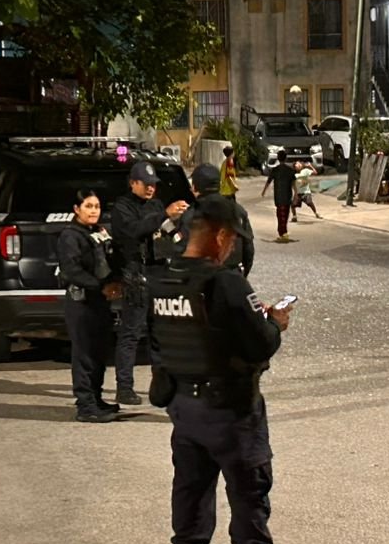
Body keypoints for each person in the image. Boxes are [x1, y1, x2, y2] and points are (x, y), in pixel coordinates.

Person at [147, 194, 291, 544]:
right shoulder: (225, 282)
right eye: (232, 241)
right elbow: (259, 343)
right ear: (223, 236)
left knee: (191, 487)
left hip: (183, 407)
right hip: (230, 408)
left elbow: (159, 341)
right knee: (249, 489)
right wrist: (275, 322)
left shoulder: (163, 279)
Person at [109, 161, 188, 406]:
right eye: (146, 184)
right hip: (135, 274)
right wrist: (163, 215)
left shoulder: (154, 205)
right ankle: (124, 387)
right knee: (131, 333)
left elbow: (167, 232)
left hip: (158, 272)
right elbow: (134, 230)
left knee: (160, 334)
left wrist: (176, 225)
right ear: (133, 183)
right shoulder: (122, 208)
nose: (151, 188)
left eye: (154, 185)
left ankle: (161, 387)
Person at [55, 189, 124, 423]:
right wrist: (99, 286)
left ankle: (96, 397)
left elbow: (108, 261)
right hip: (82, 301)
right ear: (76, 209)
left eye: (96, 206)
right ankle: (85, 405)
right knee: (84, 353)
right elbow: (71, 270)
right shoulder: (70, 236)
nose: (94, 211)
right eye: (88, 206)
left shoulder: (97, 232)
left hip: (100, 301)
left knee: (99, 352)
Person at [175, 163, 254, 274]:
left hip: (204, 278)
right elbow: (248, 248)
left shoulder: (193, 214)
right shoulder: (238, 211)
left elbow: (181, 252)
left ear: (194, 187)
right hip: (233, 273)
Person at [262, 152, 296, 242]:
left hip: (278, 196)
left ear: (278, 158)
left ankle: (282, 232)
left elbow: (269, 181)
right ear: (285, 158)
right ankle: (283, 232)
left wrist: (264, 191)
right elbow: (294, 184)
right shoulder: (290, 170)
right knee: (285, 214)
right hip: (287, 195)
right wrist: (296, 194)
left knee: (280, 215)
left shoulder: (275, 170)